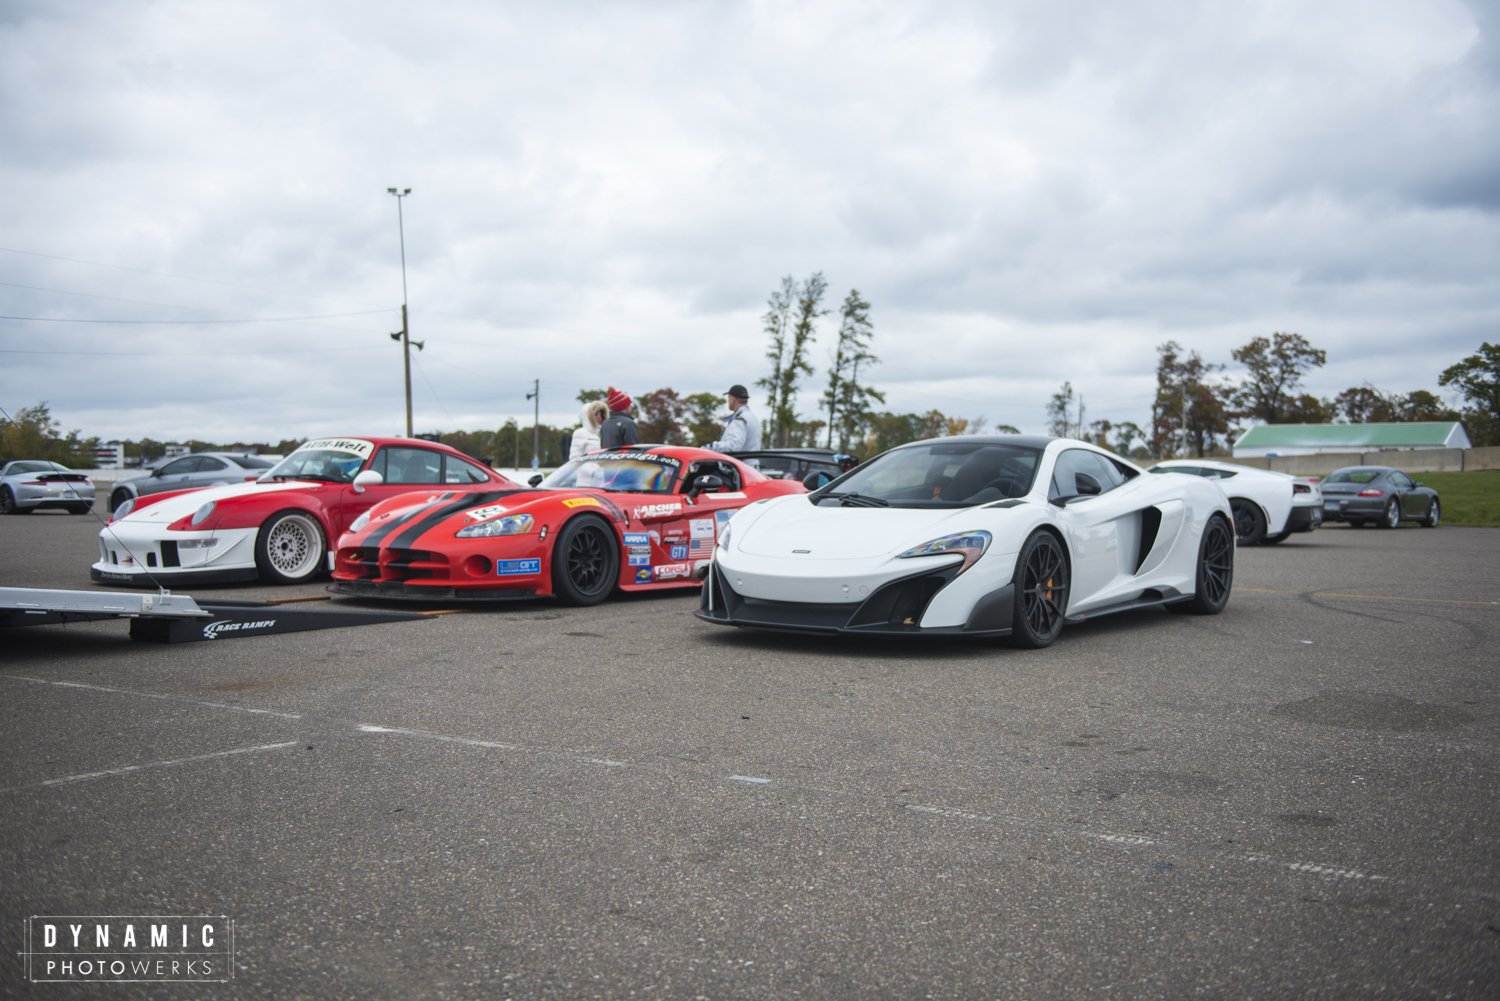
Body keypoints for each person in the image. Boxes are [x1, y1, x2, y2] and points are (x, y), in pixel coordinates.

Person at [704, 385, 761, 453]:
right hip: (751, 462)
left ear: (733, 400)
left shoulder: (739, 419)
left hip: (741, 463)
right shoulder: (752, 417)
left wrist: (712, 446)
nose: (728, 401)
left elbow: (732, 447)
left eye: (728, 398)